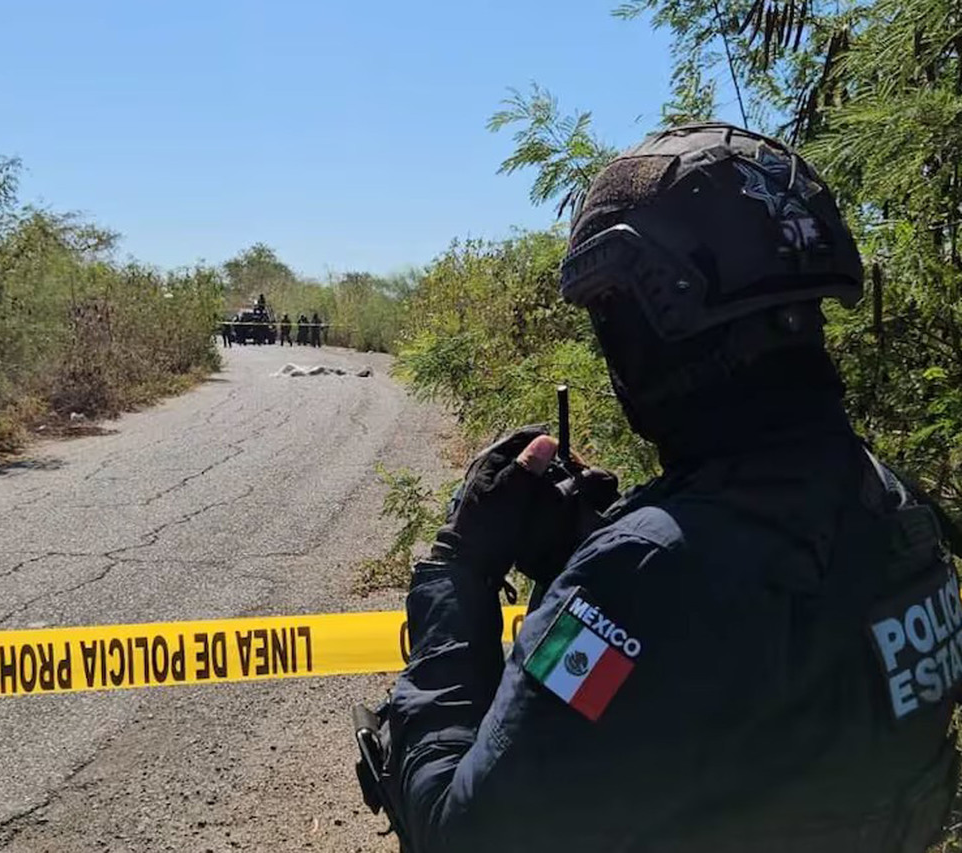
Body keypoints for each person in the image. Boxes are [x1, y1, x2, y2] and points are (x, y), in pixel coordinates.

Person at [379, 123, 962, 853]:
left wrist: (458, 574)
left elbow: (465, 832)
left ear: (654, 322)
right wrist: (583, 561)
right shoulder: (898, 510)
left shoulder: (643, 577)